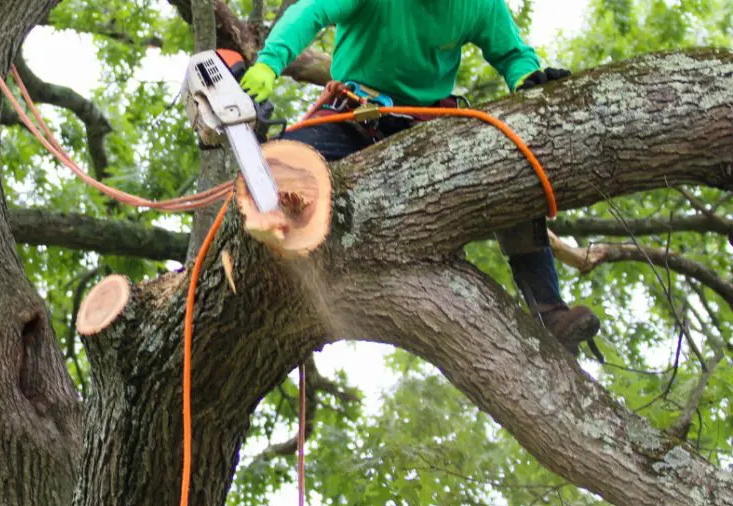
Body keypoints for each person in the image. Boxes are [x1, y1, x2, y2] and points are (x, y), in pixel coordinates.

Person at [239, 0, 600, 354]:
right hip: (353, 117)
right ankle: (284, 272)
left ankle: (550, 311)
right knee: (283, 169)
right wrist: (270, 63)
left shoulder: (479, 4)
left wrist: (525, 78)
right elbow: (311, 10)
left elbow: (511, 54)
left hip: (426, 131)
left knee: (511, 166)